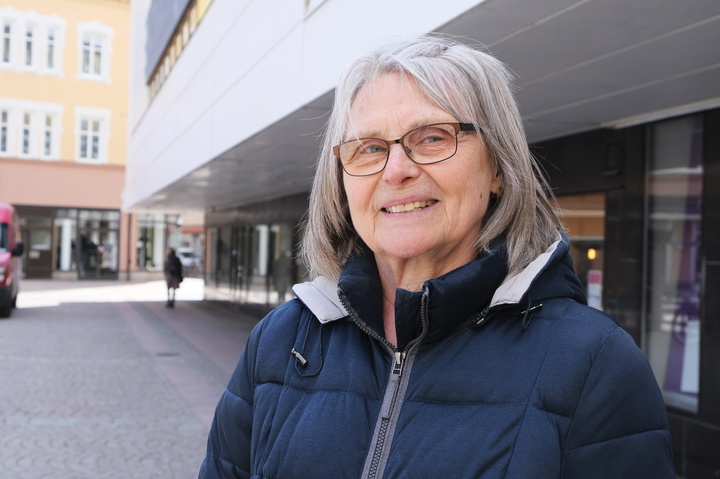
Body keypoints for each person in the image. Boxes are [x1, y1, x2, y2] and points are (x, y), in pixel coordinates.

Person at [198, 35, 674, 478]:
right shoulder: (280, 341)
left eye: (432, 137)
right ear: (342, 180)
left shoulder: (594, 363)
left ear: (498, 168)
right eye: (369, 148)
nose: (397, 170)